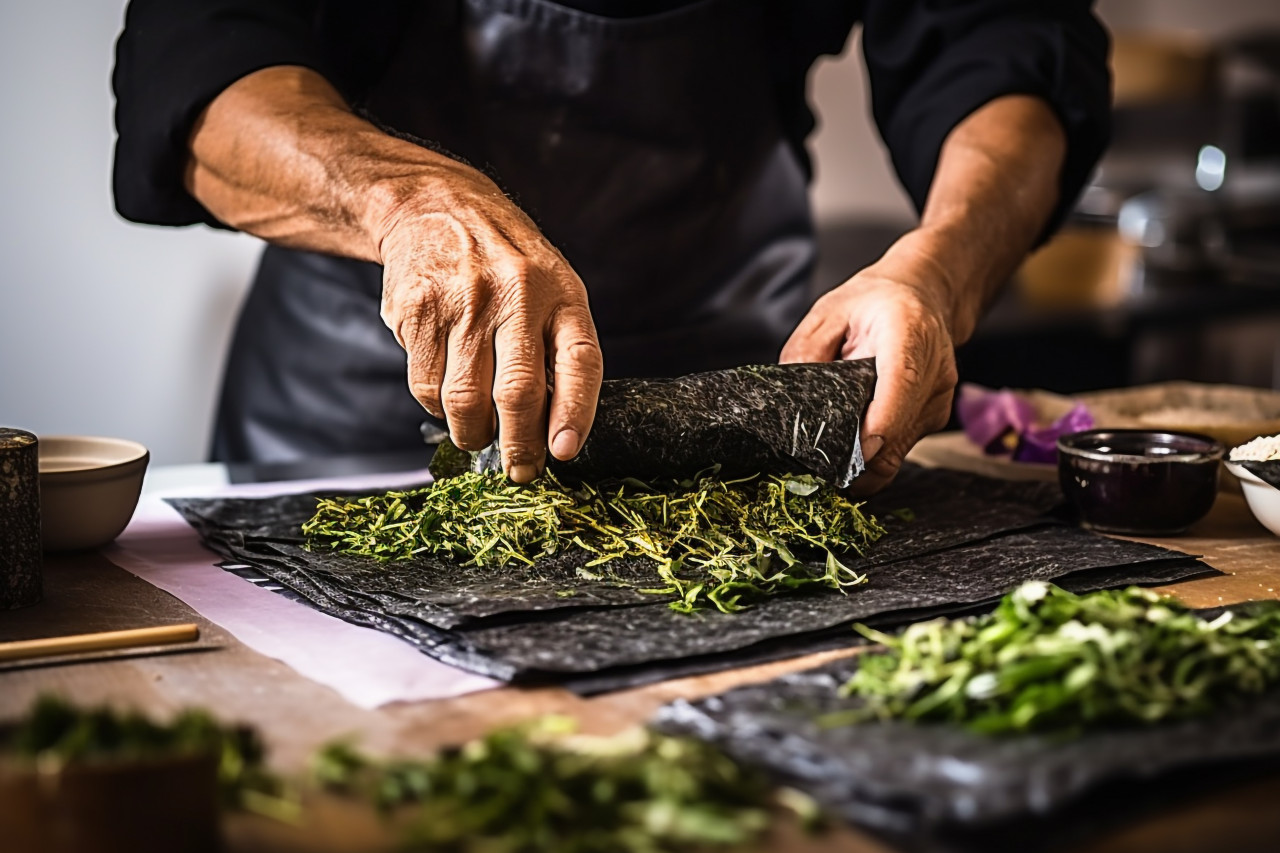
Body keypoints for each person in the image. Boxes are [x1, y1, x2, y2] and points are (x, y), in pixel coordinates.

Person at [112, 0, 1110, 493]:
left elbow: (1000, 42)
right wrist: (410, 200)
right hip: (355, 417)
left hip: (737, 407)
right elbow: (202, 70)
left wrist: (935, 268)